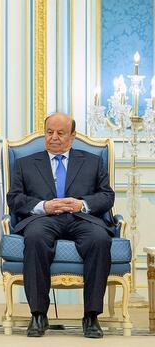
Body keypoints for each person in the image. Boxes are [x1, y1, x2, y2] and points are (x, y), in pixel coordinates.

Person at [7, 112, 115, 339]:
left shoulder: (93, 162)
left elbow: (107, 197)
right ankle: (38, 314)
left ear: (72, 136)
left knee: (99, 239)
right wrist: (43, 206)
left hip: (82, 218)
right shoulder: (25, 164)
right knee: (34, 238)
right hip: (43, 219)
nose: (54, 137)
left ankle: (91, 316)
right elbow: (14, 199)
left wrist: (81, 204)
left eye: (60, 133)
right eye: (49, 132)